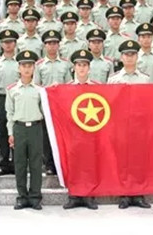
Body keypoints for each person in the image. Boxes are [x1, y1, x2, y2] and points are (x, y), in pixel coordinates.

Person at [107, 40, 151, 209]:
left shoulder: (145, 79)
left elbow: (150, 103)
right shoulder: (113, 80)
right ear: (121, 57)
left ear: (137, 57)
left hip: (140, 124)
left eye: (133, 54)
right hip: (121, 125)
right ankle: (124, 194)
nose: (130, 57)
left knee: (139, 160)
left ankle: (138, 194)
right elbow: (109, 104)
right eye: (126, 54)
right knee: (122, 160)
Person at [62, 49, 100, 211]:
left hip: (92, 131)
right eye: (79, 65)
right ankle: (74, 196)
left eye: (85, 65)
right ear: (74, 68)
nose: (82, 68)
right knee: (74, 163)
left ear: (89, 68)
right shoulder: (66, 88)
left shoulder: (98, 87)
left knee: (90, 163)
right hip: (73, 133)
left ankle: (89, 195)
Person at [7, 50, 44, 210]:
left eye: (29, 66)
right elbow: (9, 113)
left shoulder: (40, 90)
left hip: (35, 128)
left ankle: (35, 197)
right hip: (19, 129)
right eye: (24, 66)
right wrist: (10, 133)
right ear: (19, 68)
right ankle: (22, 196)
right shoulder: (12, 89)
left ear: (34, 68)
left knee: (36, 164)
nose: (27, 69)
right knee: (20, 164)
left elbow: (44, 110)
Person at [34, 30, 71, 175]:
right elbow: (37, 85)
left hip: (62, 106)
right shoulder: (39, 65)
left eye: (55, 43)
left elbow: (69, 84)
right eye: (49, 43)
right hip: (46, 106)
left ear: (59, 45)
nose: (52, 46)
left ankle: (62, 163)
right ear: (44, 46)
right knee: (47, 136)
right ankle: (49, 164)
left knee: (63, 136)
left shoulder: (65, 64)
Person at [0, 29, 20, 176]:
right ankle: (3, 162)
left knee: (16, 130)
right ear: (1, 44)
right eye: (5, 42)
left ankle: (16, 162)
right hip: (1, 98)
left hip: (17, 98)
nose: (8, 45)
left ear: (15, 43)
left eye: (11, 42)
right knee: (3, 130)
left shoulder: (20, 62)